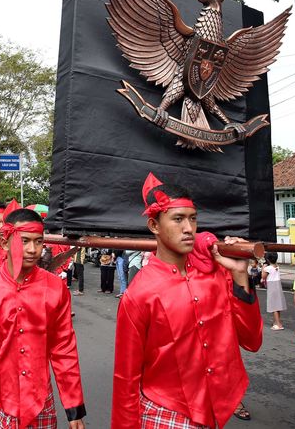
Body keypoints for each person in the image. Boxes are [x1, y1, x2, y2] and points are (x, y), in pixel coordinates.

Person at [112, 173, 262, 428]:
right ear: (154, 226)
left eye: (193, 219)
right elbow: (125, 376)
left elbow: (251, 341)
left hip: (213, 410)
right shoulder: (139, 293)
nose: (189, 229)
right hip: (163, 411)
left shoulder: (216, 275)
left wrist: (239, 276)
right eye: (178, 219)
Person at [0, 205, 86, 429]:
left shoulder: (55, 288)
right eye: (24, 241)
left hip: (39, 401)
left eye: (39, 241)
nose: (33, 249)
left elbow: (64, 348)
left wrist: (74, 409)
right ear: (5, 242)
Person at [261, 253, 286, 330]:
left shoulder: (268, 268)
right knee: (277, 305)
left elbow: (263, 277)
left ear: (267, 260)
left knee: (274, 306)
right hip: (277, 285)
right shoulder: (277, 266)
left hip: (272, 286)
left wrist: (263, 268)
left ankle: (278, 324)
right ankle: (277, 322)